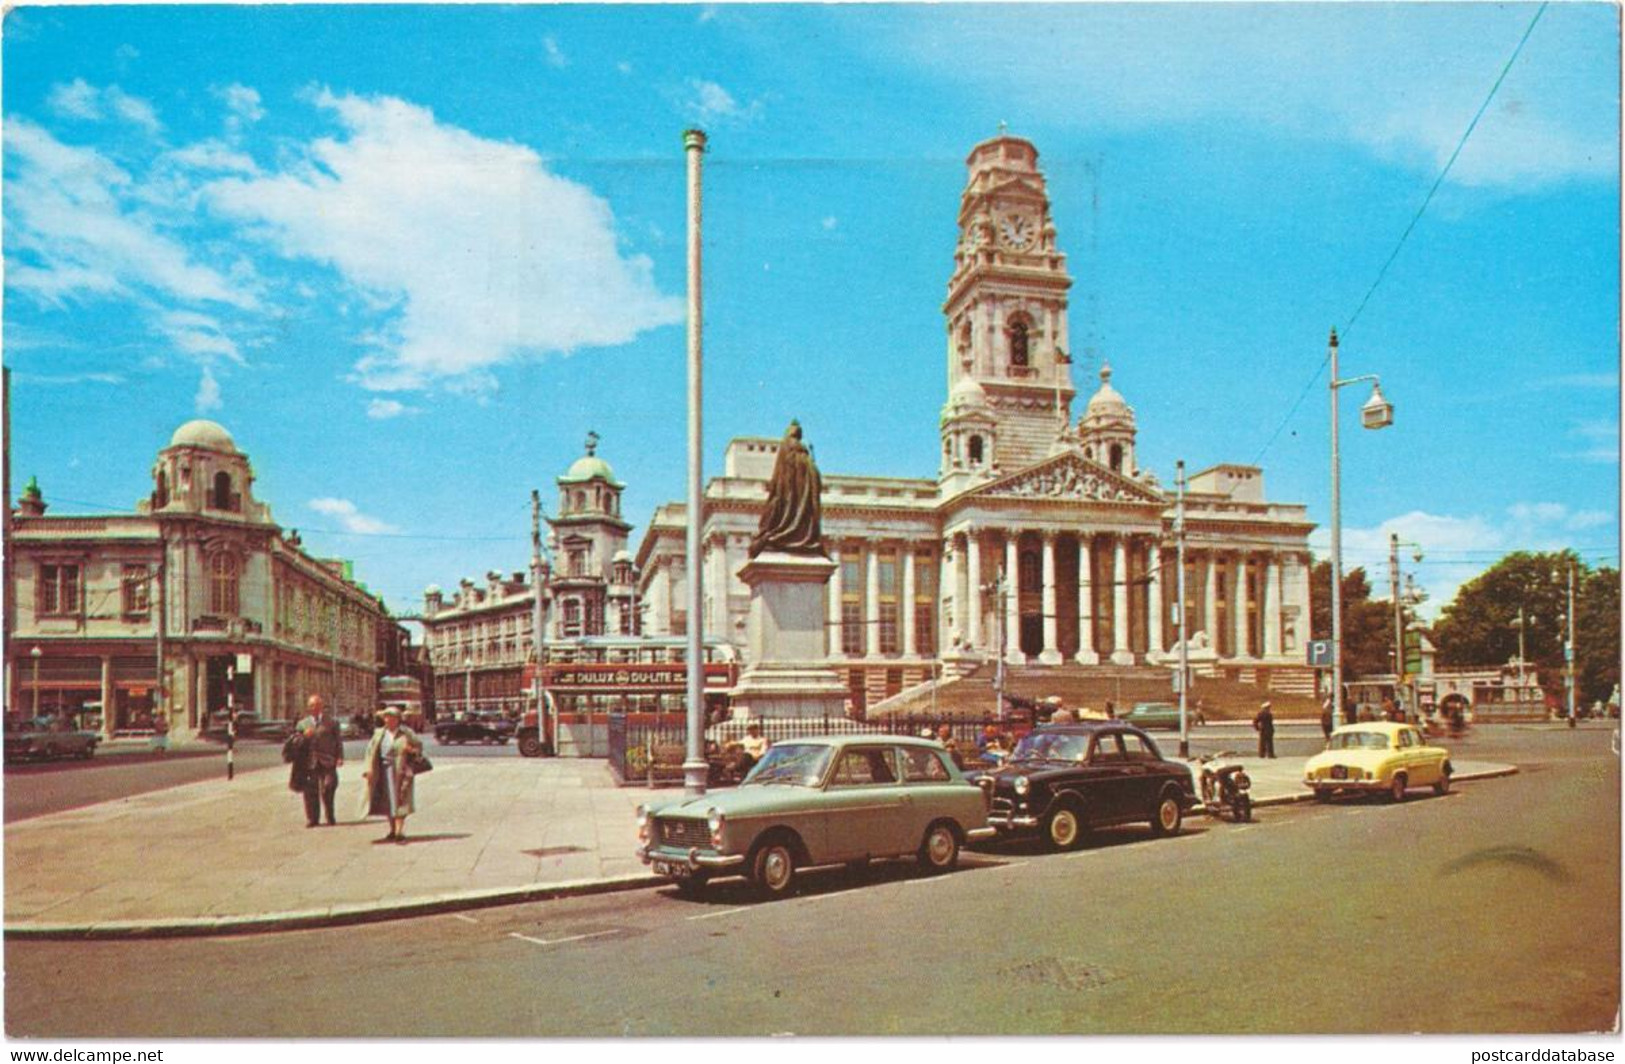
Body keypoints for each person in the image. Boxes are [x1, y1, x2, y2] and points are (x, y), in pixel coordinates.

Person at [749, 420, 825, 557]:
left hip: (790, 500)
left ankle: (785, 533)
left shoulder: (787, 452)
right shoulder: (805, 458)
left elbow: (778, 481)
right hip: (800, 507)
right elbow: (816, 480)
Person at [359, 706, 423, 843]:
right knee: (388, 801)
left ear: (398, 719)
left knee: (401, 799)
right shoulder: (379, 733)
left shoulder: (406, 733)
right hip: (383, 771)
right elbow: (370, 752)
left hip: (402, 771)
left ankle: (399, 832)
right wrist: (368, 770)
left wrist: (410, 750)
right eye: (386, 717)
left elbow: (419, 748)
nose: (388, 720)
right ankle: (392, 830)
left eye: (392, 717)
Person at [296, 694, 344, 827]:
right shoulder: (302, 723)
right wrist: (303, 736)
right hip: (310, 761)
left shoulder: (332, 722)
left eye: (317, 705)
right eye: (311, 706)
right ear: (308, 707)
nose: (314, 708)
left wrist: (339, 757)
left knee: (329, 787)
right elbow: (295, 742)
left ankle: (330, 816)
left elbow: (338, 741)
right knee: (310, 791)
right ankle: (312, 819)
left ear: (322, 706)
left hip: (328, 760)